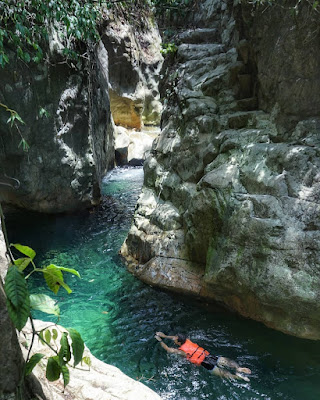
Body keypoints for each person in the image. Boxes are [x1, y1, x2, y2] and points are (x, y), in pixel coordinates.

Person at [154, 332, 251, 382]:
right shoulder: (187, 340)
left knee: (225, 375)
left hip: (206, 364)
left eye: (175, 339)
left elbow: (168, 349)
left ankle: (237, 377)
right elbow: (175, 338)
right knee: (225, 361)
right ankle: (238, 368)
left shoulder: (181, 351)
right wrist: (165, 336)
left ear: (179, 342)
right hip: (210, 356)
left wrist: (160, 340)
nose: (174, 339)